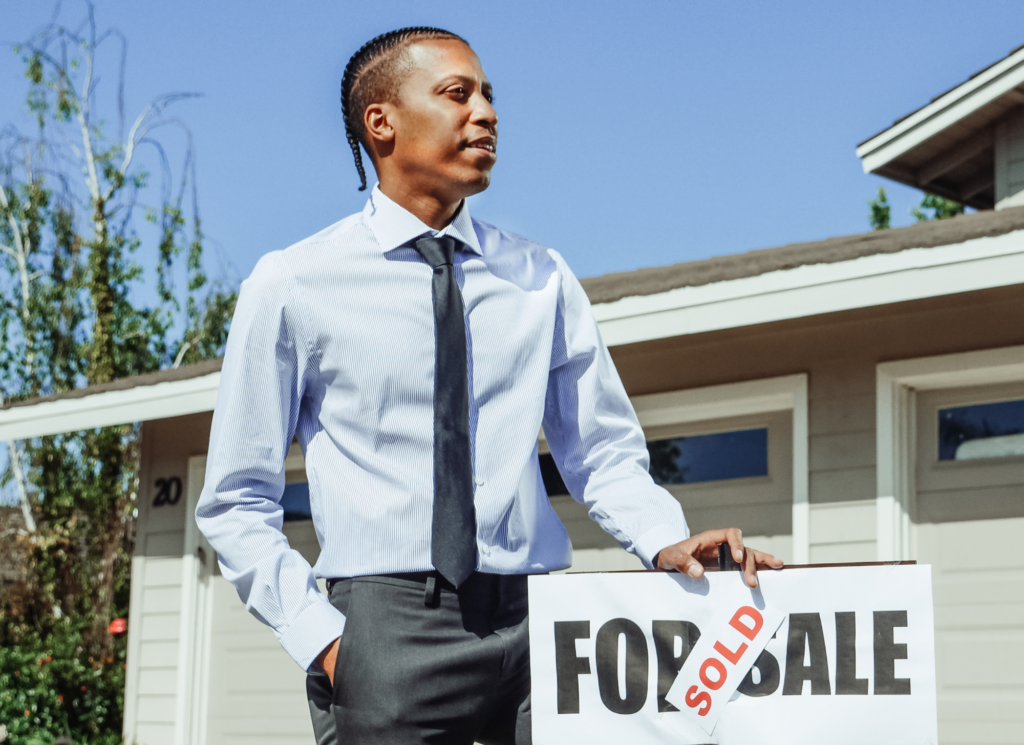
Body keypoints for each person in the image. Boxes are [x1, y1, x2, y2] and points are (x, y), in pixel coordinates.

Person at [195, 26, 783, 745]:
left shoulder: (541, 276)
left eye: (489, 95)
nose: (487, 112)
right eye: (457, 93)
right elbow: (234, 500)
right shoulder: (292, 283)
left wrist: (667, 541)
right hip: (386, 629)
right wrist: (326, 640)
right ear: (381, 122)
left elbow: (600, 452)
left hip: (541, 626)